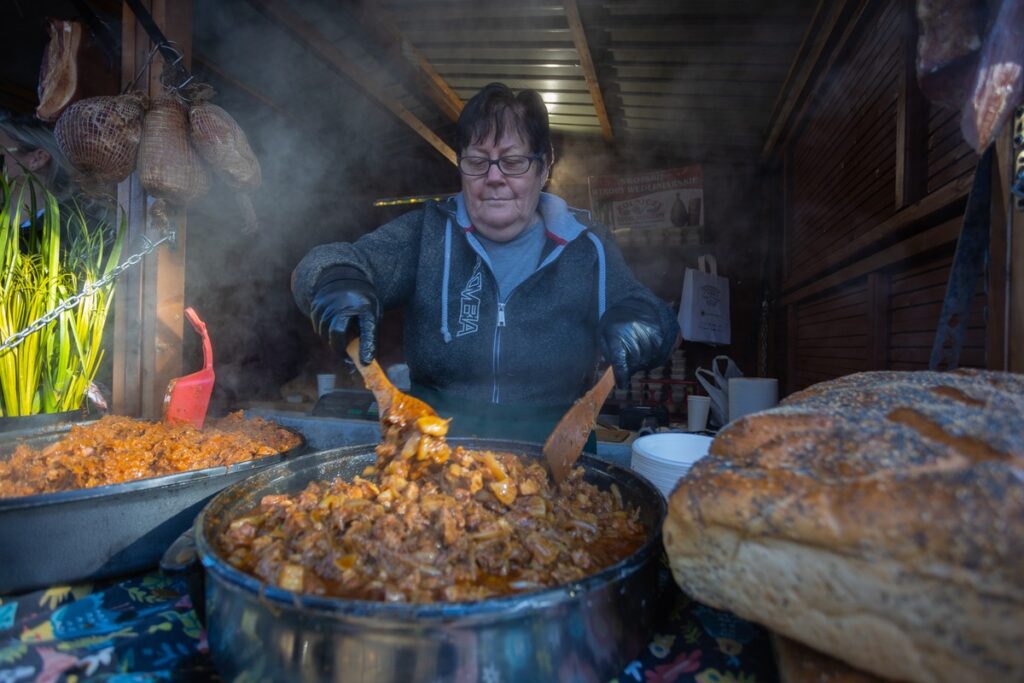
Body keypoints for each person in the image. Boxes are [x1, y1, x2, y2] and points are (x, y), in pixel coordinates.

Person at [291, 82, 679, 446]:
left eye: (513, 161)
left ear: (544, 166)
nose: (493, 177)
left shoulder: (587, 247)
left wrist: (645, 324)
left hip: (556, 455)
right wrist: (335, 278)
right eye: (477, 161)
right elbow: (326, 262)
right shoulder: (427, 232)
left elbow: (657, 321)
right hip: (432, 450)